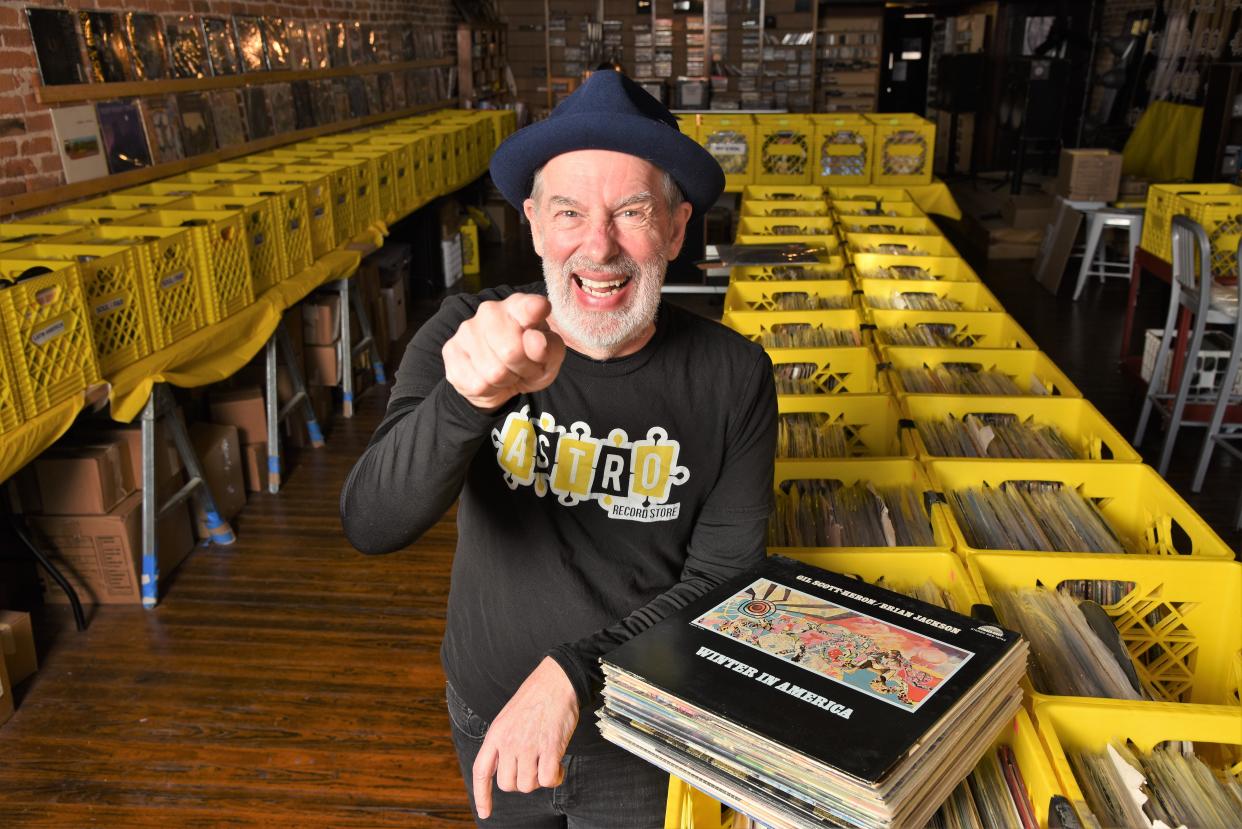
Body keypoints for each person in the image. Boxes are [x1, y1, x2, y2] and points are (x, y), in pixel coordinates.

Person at [340, 70, 777, 827]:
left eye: (632, 211)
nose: (599, 246)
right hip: (489, 715)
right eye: (570, 211)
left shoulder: (735, 376)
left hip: (641, 731)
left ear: (675, 229)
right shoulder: (464, 337)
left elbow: (723, 580)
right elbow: (371, 523)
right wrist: (467, 400)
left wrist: (577, 673)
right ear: (536, 224)